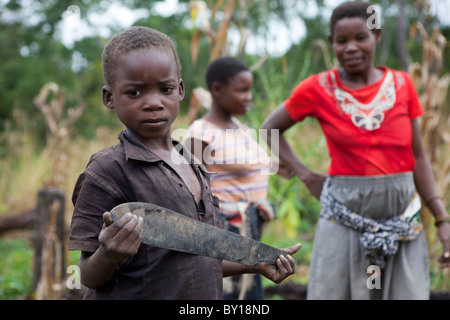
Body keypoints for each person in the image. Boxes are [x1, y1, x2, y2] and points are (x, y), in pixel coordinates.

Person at [68, 26, 301, 300]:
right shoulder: (108, 170)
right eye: (135, 93)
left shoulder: (193, 164)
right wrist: (108, 254)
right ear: (109, 97)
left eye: (165, 89)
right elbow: (85, 274)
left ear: (179, 90)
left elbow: (202, 256)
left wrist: (256, 262)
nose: (153, 103)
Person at [261, 1, 450, 300]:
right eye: (341, 40)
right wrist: (306, 176)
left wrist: (442, 219)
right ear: (331, 43)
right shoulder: (317, 88)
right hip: (343, 217)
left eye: (360, 37)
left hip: (402, 219)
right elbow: (269, 128)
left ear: (376, 35)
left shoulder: (402, 85)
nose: (350, 47)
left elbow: (419, 157)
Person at [183, 57, 293, 300]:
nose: (249, 96)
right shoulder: (200, 133)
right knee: (225, 292)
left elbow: (241, 164)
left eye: (250, 90)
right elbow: (191, 187)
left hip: (248, 226)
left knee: (250, 290)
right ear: (217, 89)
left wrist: (275, 165)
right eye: (242, 90)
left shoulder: (239, 127)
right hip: (224, 229)